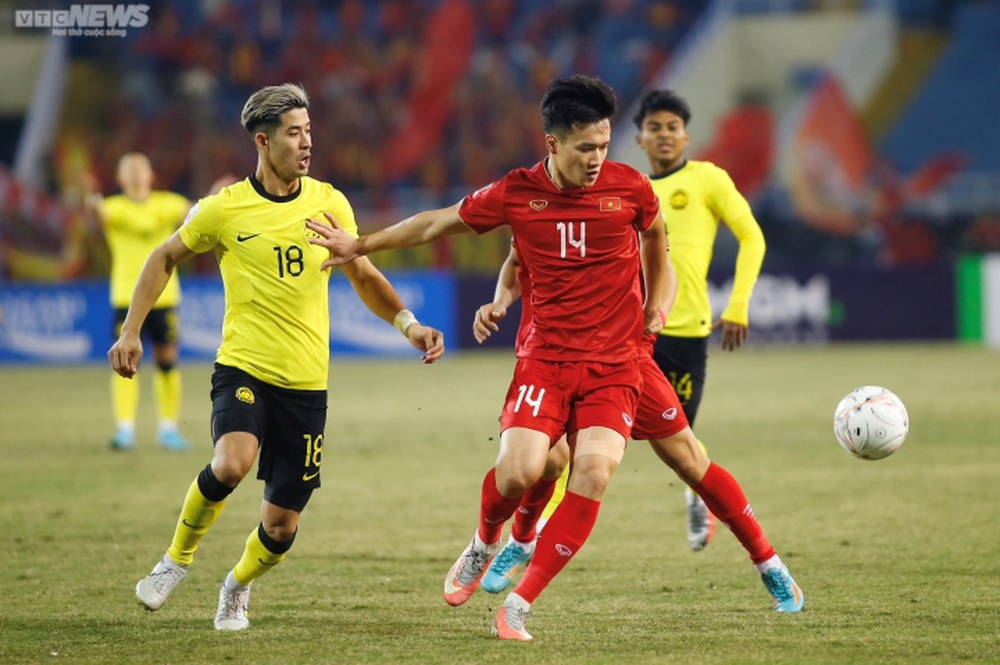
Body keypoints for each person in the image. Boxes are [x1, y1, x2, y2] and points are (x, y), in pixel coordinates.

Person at [306, 74, 672, 641]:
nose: (598, 159)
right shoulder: (517, 192)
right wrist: (362, 244)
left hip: (614, 363)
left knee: (593, 471)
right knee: (521, 471)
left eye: (603, 145)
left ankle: (519, 605)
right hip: (545, 359)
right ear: (552, 144)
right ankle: (483, 542)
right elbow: (434, 222)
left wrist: (658, 300)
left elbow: (656, 238)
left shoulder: (631, 188)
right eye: (585, 148)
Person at [109, 83, 444, 631]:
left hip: (307, 385)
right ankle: (175, 562)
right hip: (244, 366)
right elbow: (164, 256)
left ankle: (235, 587)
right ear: (264, 142)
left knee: (282, 526)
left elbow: (360, 271)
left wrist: (408, 324)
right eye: (295, 133)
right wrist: (131, 331)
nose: (307, 142)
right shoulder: (223, 210)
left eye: (309, 131)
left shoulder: (330, 203)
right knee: (232, 461)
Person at [472, 245, 803, 616]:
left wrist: (657, 314)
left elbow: (665, 266)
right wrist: (500, 301)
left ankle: (770, 564)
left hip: (625, 360)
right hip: (558, 360)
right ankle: (521, 539)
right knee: (548, 458)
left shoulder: (625, 199)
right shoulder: (546, 203)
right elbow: (517, 260)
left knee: (690, 461)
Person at [635, 89, 767, 549]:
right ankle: (535, 533)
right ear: (640, 138)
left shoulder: (708, 179)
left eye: (672, 127)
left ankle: (698, 499)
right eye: (655, 128)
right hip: (635, 332)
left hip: (688, 330)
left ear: (686, 135)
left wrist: (738, 304)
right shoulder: (632, 190)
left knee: (680, 442)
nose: (665, 135)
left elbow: (752, 238)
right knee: (581, 437)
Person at [86, 153, 195, 451]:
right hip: (127, 297)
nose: (135, 173)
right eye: (128, 169)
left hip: (166, 295)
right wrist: (90, 203)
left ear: (151, 175)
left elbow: (199, 212)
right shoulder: (113, 208)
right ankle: (125, 429)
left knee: (167, 360)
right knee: (125, 362)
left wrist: (217, 192)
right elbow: (99, 216)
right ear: (120, 178)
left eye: (140, 168)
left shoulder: (168, 203)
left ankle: (168, 429)